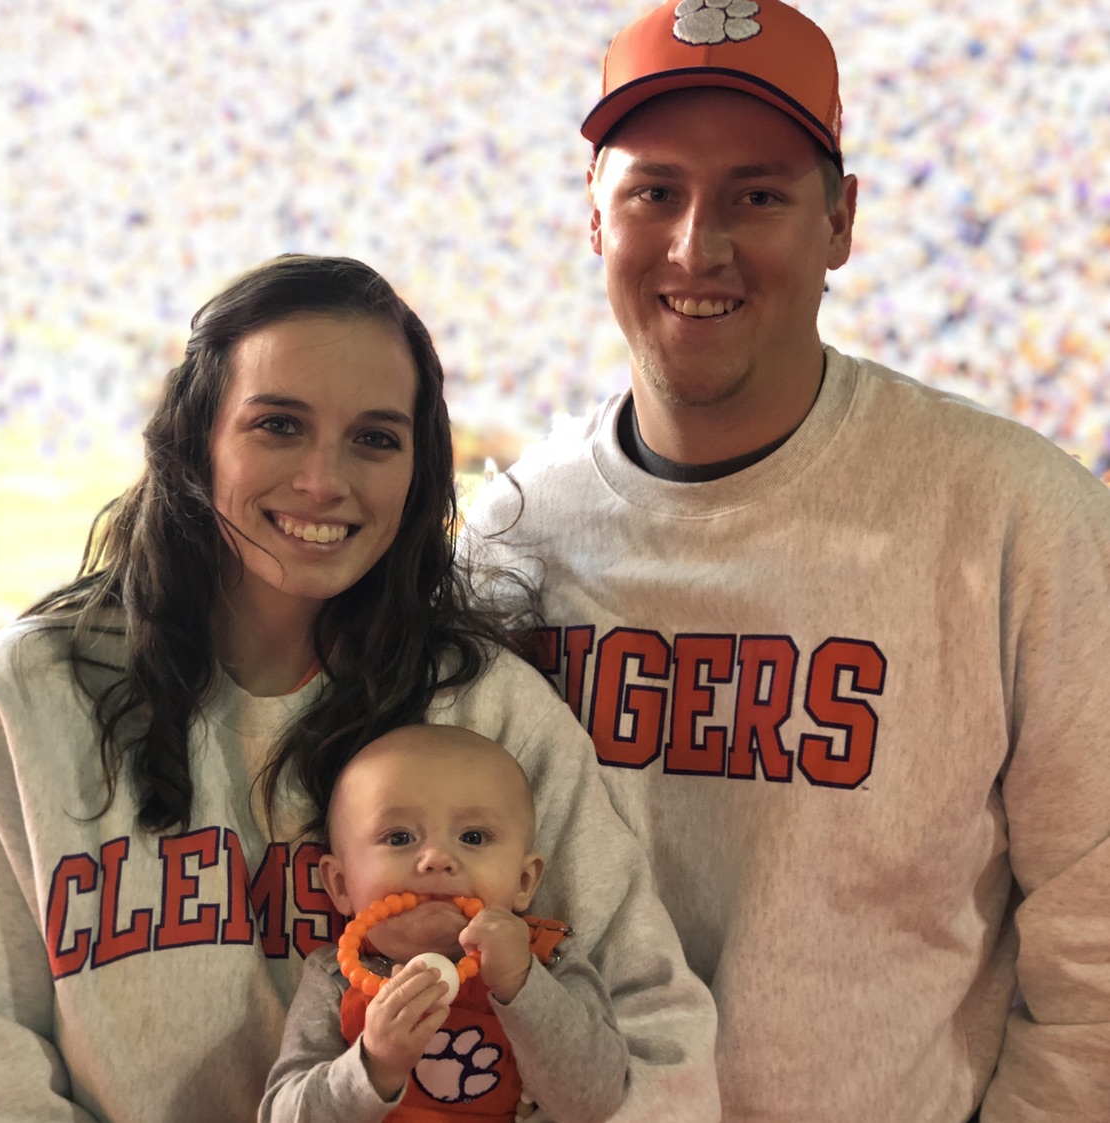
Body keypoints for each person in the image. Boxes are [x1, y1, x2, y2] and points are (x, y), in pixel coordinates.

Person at [461, 2, 1110, 1120]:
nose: (696, 247)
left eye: (756, 195)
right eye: (654, 192)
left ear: (841, 220)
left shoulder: (1018, 516)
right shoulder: (512, 534)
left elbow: (1093, 934)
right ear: (594, 215)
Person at [0, 254, 720, 1122]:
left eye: (375, 438)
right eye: (278, 424)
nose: (324, 481)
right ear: (196, 439)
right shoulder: (26, 699)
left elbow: (656, 1039)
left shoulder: (487, 709)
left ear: (419, 470)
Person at [261, 723, 628, 1121]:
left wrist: (522, 984)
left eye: (473, 837)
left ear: (524, 882)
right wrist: (374, 1065)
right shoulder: (335, 979)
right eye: (399, 838)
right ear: (340, 883)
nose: (436, 858)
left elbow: (597, 1101)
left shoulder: (547, 960)